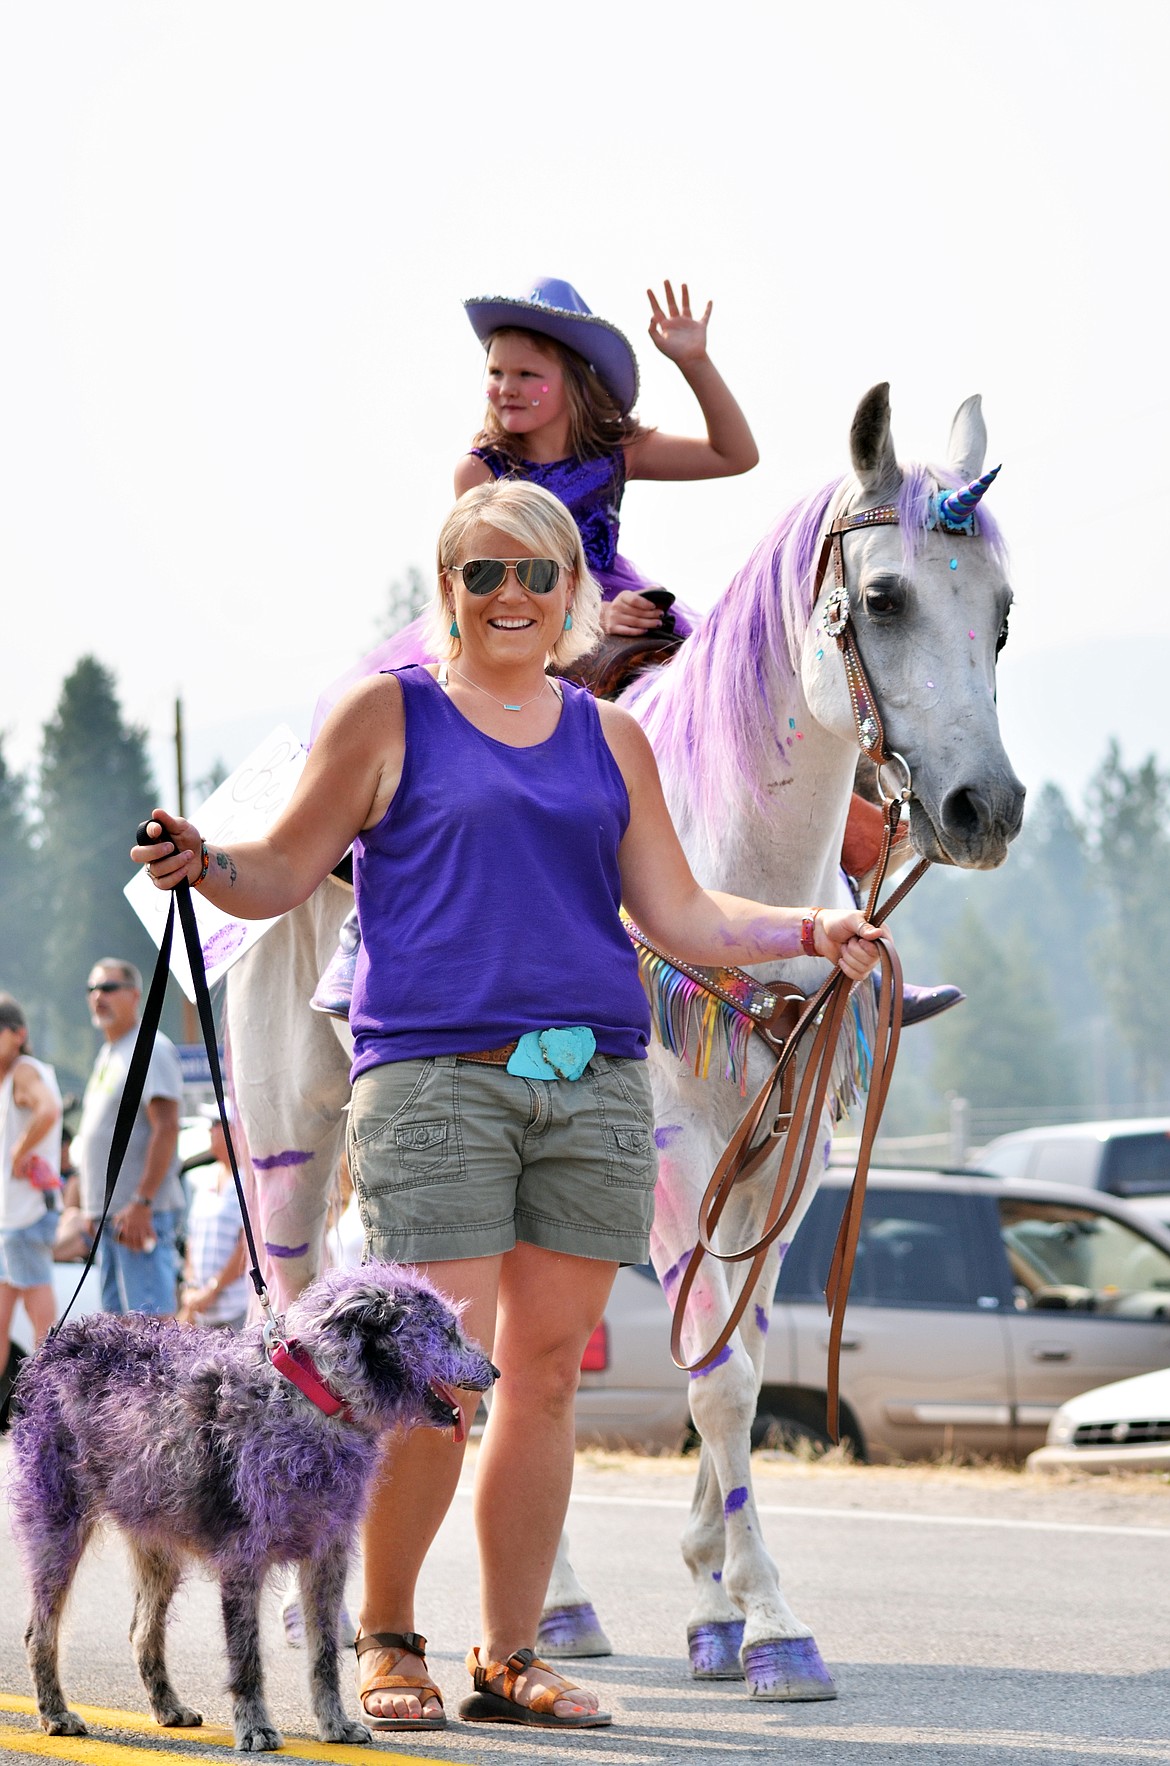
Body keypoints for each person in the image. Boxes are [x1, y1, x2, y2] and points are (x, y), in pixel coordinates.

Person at [133, 477, 891, 1733]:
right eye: (482, 572)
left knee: (541, 1379)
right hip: (435, 1083)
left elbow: (684, 915)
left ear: (571, 595)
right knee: (442, 1382)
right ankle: (387, 1636)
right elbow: (279, 865)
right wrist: (207, 863)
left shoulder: (610, 740)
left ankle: (509, 1653)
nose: (511, 595)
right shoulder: (390, 717)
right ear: (448, 591)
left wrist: (814, 927)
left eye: (537, 574)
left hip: (590, 1082)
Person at [74, 959, 184, 1317]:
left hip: (137, 1215)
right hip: (111, 1216)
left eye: (108, 988)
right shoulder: (110, 1051)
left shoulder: (149, 1047)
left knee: (149, 1332)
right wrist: (92, 1207)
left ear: (135, 995)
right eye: (92, 989)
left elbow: (166, 1127)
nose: (97, 997)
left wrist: (142, 1201)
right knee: (118, 1335)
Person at [0, 995, 63, 1378]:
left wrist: (19, 1152)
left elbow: (50, 1109)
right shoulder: (10, 1076)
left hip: (25, 1216)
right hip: (13, 1218)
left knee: (42, 1326)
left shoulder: (23, 1070)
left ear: (18, 1034)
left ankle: (50, 1408)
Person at [179, 1106, 250, 1330]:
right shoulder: (205, 1179)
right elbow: (192, 1239)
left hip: (237, 1311)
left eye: (216, 1124)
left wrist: (212, 1289)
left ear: (236, 1130)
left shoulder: (249, 1182)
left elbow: (246, 1246)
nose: (210, 1131)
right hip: (202, 1312)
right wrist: (190, 1287)